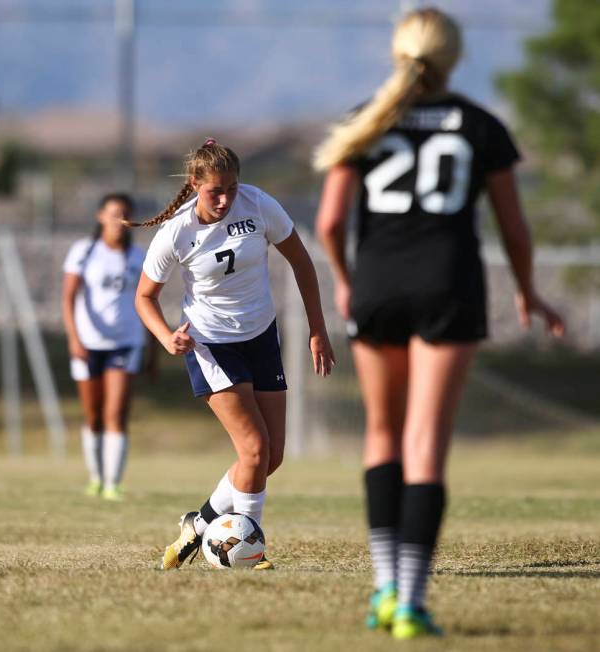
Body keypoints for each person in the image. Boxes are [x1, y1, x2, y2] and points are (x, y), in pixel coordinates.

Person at [314, 8, 564, 639]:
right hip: (448, 285)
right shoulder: (481, 126)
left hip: (377, 285)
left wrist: (347, 283)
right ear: (455, 57)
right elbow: (513, 227)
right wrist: (529, 292)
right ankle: (412, 602)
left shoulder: (365, 118)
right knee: (425, 443)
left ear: (398, 52)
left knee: (382, 435)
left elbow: (328, 224)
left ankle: (382, 589)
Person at [131, 139, 334, 570]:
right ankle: (252, 549)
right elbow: (144, 297)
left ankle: (199, 523)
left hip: (261, 337)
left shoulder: (259, 205)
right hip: (211, 344)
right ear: (194, 185)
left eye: (232, 188)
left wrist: (318, 328)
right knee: (255, 449)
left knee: (268, 458)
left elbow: (302, 262)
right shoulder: (177, 232)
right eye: (214, 191)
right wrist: (168, 337)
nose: (225, 199)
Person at [62, 193, 151, 501]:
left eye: (125, 214)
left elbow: (147, 301)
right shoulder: (84, 252)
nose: (119, 219)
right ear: (101, 216)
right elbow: (69, 297)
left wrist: (152, 346)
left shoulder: (139, 256)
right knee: (93, 414)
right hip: (88, 344)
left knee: (116, 412)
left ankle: (113, 483)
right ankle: (96, 478)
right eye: (113, 213)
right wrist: (74, 338)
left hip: (126, 343)